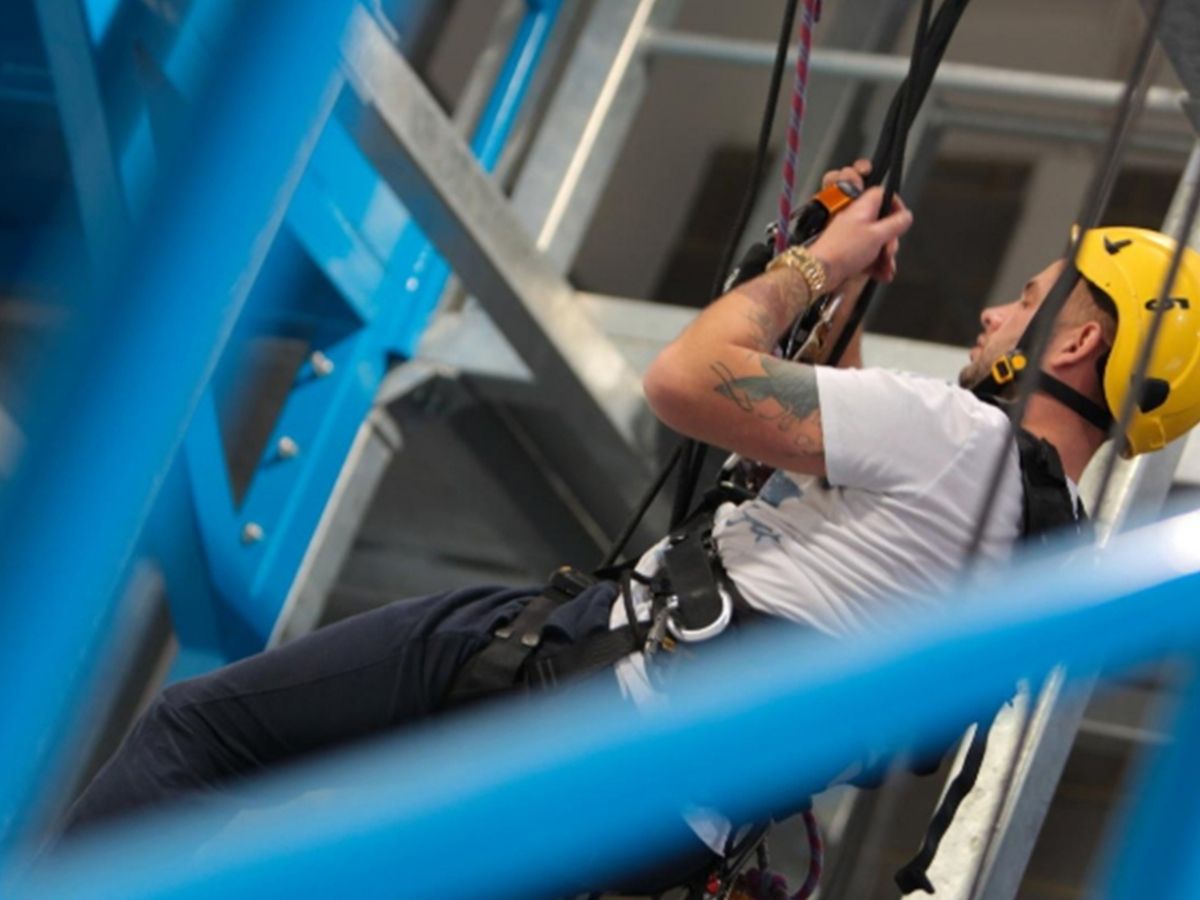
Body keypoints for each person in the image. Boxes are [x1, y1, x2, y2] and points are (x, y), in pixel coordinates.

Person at [56, 160, 1200, 894]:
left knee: (199, 741)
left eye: (1030, 297)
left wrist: (813, 265)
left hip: (592, 691)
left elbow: (688, 380)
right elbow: (845, 516)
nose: (996, 310)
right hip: (668, 823)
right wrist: (842, 309)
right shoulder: (1040, 556)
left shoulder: (955, 435)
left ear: (1076, 343)